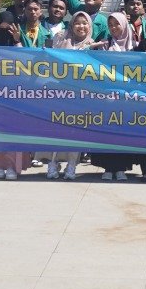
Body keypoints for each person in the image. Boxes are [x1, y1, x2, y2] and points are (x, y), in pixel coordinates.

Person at [48, 12, 97, 180]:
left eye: (85, 23)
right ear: (72, 25)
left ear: (90, 26)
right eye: (77, 23)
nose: (81, 26)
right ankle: (52, 162)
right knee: (56, 130)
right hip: (60, 93)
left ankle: (71, 165)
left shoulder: (93, 45)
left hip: (81, 96)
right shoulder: (61, 40)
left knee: (75, 132)